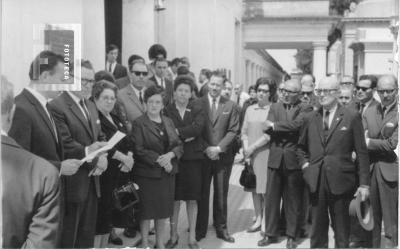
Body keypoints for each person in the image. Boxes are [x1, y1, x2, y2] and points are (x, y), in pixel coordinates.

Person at [297, 76, 370, 248]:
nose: (322, 95)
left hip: (341, 182)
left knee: (342, 232)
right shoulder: (310, 117)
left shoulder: (351, 116)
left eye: (327, 91)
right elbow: (300, 148)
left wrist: (364, 185)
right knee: (317, 232)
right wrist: (306, 167)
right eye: (319, 91)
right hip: (316, 181)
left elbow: (362, 152)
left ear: (337, 92)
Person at [48, 60, 109, 248]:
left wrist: (104, 156)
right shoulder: (57, 106)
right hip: (73, 183)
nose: (88, 85)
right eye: (84, 80)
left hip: (92, 182)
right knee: (69, 238)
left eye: (91, 81)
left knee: (86, 236)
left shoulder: (90, 105)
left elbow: (99, 135)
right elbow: (65, 144)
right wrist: (94, 157)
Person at [258, 79, 313, 249]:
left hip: (293, 160)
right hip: (275, 159)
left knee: (293, 201)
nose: (285, 94)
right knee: (272, 199)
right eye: (284, 91)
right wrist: (278, 128)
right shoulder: (275, 107)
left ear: (298, 94)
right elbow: (265, 128)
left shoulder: (305, 107)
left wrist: (275, 126)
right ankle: (271, 234)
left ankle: (291, 236)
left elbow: (297, 126)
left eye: (290, 92)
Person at [9, 51, 82, 177]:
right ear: (45, 76)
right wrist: (59, 167)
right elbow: (18, 161)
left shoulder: (46, 106)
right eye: (62, 80)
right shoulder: (21, 108)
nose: (65, 86)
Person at [131, 85, 183, 249]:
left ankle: (160, 243)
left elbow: (179, 145)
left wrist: (171, 156)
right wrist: (162, 160)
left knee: (162, 213)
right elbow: (139, 149)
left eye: (157, 102)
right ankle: (145, 243)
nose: (154, 105)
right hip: (147, 175)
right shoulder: (139, 123)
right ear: (145, 103)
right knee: (146, 213)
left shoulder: (168, 121)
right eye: (151, 102)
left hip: (166, 176)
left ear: (162, 104)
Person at [196, 71, 240, 243]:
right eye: (212, 84)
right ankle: (200, 229)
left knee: (221, 194)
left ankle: (221, 228)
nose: (214, 88)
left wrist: (219, 148)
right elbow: (195, 129)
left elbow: (233, 130)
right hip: (203, 156)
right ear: (208, 84)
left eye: (218, 85)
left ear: (223, 87)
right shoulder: (197, 104)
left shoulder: (231, 105)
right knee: (202, 193)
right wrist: (207, 148)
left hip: (223, 158)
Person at [164, 75, 206, 249]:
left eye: (186, 91)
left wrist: (178, 133)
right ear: (174, 93)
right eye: (179, 90)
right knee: (175, 200)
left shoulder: (197, 107)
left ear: (191, 94)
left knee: (192, 200)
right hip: (175, 159)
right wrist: (186, 135)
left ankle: (192, 238)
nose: (182, 93)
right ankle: (173, 236)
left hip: (194, 160)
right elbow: (167, 132)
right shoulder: (167, 110)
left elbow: (198, 128)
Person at [92, 80, 135, 247]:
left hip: (120, 174)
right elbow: (105, 146)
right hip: (105, 175)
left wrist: (129, 156)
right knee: (101, 218)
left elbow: (128, 139)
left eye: (112, 98)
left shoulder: (115, 117)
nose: (110, 101)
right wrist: (124, 158)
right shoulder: (96, 118)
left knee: (110, 217)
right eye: (105, 98)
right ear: (96, 98)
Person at [362, 75, 398, 248]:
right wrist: (376, 143)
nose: (385, 95)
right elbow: (360, 141)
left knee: (391, 222)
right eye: (381, 91)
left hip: (390, 172)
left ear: (397, 91)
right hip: (370, 171)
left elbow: (392, 145)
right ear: (376, 92)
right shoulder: (369, 111)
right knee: (372, 220)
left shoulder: (398, 113)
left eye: (389, 91)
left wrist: (369, 141)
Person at [241, 77, 276, 233]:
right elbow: (244, 133)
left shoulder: (274, 109)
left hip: (266, 154)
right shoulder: (249, 109)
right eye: (259, 90)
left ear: (270, 93)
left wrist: (252, 148)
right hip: (251, 155)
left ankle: (266, 221)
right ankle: (258, 218)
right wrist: (246, 151)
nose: (261, 93)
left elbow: (269, 135)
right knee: (254, 189)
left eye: (265, 91)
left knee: (266, 190)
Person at [117, 61, 149, 132]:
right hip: (133, 138)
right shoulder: (120, 95)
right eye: (137, 73)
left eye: (144, 74)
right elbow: (124, 123)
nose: (141, 76)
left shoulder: (152, 94)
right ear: (130, 75)